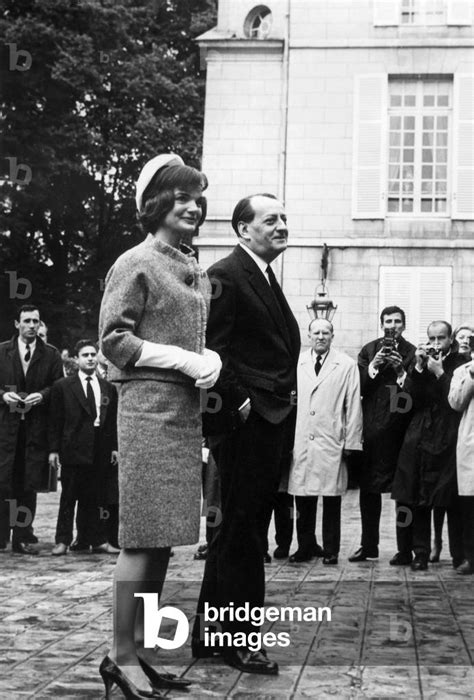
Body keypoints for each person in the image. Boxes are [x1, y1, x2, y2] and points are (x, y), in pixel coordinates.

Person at [98, 153, 220, 698]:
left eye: (198, 196)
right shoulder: (135, 261)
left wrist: (205, 357)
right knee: (141, 539)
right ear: (156, 203)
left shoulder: (189, 264)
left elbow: (181, 336)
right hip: (148, 411)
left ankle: (140, 651)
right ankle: (119, 655)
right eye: (183, 196)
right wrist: (183, 359)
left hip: (181, 415)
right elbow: (114, 340)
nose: (195, 205)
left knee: (165, 541)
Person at [192, 193, 301, 675]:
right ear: (242, 229)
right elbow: (212, 352)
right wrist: (241, 406)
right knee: (244, 533)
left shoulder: (262, 275)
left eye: (283, 218)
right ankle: (240, 641)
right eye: (270, 219)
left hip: (265, 423)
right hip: (246, 425)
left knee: (234, 530)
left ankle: (208, 636)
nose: (281, 225)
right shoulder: (226, 276)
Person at [391, 321, 465, 570]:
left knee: (451, 499)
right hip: (420, 434)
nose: (435, 344)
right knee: (418, 496)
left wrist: (439, 373)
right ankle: (419, 553)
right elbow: (406, 402)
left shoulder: (460, 363)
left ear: (450, 339)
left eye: (440, 339)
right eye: (431, 339)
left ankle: (458, 554)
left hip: (448, 433)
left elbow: (456, 400)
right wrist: (419, 369)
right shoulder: (418, 362)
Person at [288, 318, 363, 565]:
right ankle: (305, 545)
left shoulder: (346, 365)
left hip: (332, 438)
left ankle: (331, 549)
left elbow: (353, 406)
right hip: (302, 438)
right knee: (303, 496)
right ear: (309, 335)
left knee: (332, 498)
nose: (321, 336)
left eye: (326, 332)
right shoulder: (296, 362)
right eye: (316, 332)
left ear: (333, 336)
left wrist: (352, 442)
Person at [348, 306, 416, 563]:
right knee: (368, 491)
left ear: (404, 325)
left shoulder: (411, 352)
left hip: (402, 428)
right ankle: (369, 546)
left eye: (398, 321)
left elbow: (415, 391)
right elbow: (359, 387)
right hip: (373, 428)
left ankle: (405, 549)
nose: (393, 325)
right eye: (388, 321)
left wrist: (400, 371)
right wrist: (374, 365)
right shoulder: (368, 350)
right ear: (382, 324)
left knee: (404, 494)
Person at [0, 305, 63, 554]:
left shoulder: (50, 354)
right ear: (17, 324)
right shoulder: (2, 351)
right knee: (4, 482)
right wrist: (4, 396)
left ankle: (23, 536)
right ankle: (2, 535)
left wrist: (42, 395)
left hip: (36, 429)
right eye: (26, 321)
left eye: (35, 321)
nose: (31, 326)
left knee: (28, 484)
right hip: (6, 429)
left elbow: (59, 387)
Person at [48, 340, 120, 556]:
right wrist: (53, 450)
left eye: (92, 354)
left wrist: (114, 447)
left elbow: (112, 420)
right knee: (69, 495)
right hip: (73, 447)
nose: (89, 358)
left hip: (100, 447)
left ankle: (96, 539)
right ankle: (62, 540)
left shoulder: (107, 387)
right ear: (77, 359)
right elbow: (55, 420)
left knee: (96, 496)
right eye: (85, 355)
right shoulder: (63, 386)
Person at [430, 321, 474, 562]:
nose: (466, 342)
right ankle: (461, 554)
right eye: (463, 338)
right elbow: (454, 401)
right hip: (458, 438)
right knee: (459, 502)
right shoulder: (462, 369)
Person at [448, 334, 474, 574]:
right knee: (469, 505)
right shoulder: (463, 371)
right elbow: (455, 402)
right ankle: (470, 557)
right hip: (471, 443)